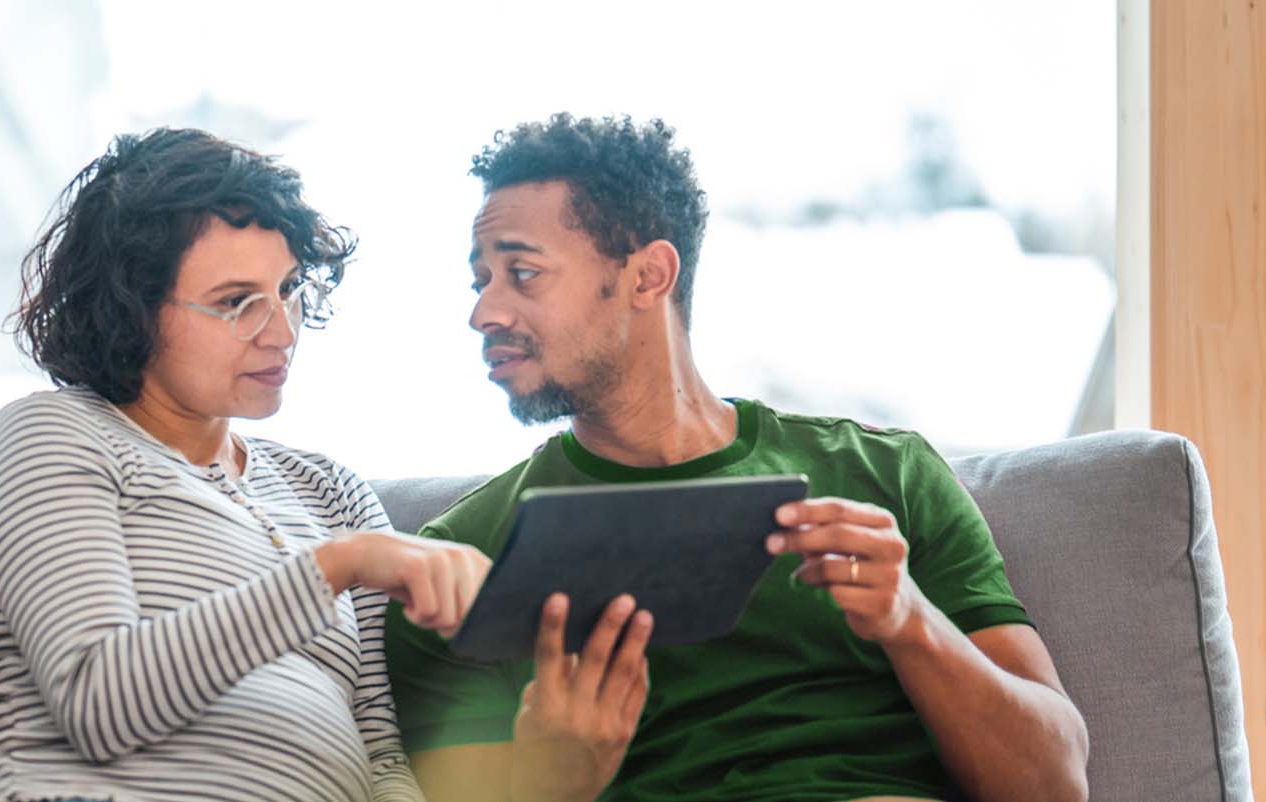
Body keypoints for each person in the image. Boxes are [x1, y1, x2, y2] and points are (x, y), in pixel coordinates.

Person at [387, 114, 1092, 802]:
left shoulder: (887, 477)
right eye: (480, 279)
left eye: (522, 273)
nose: (484, 312)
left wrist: (912, 623)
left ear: (647, 277)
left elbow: (1056, 783)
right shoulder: (453, 566)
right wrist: (554, 781)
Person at [0, 128, 493, 802]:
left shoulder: (331, 495)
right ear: (132, 312)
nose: (283, 331)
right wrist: (333, 567)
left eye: (288, 288)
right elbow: (98, 700)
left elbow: (378, 750)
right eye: (237, 303)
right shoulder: (49, 435)